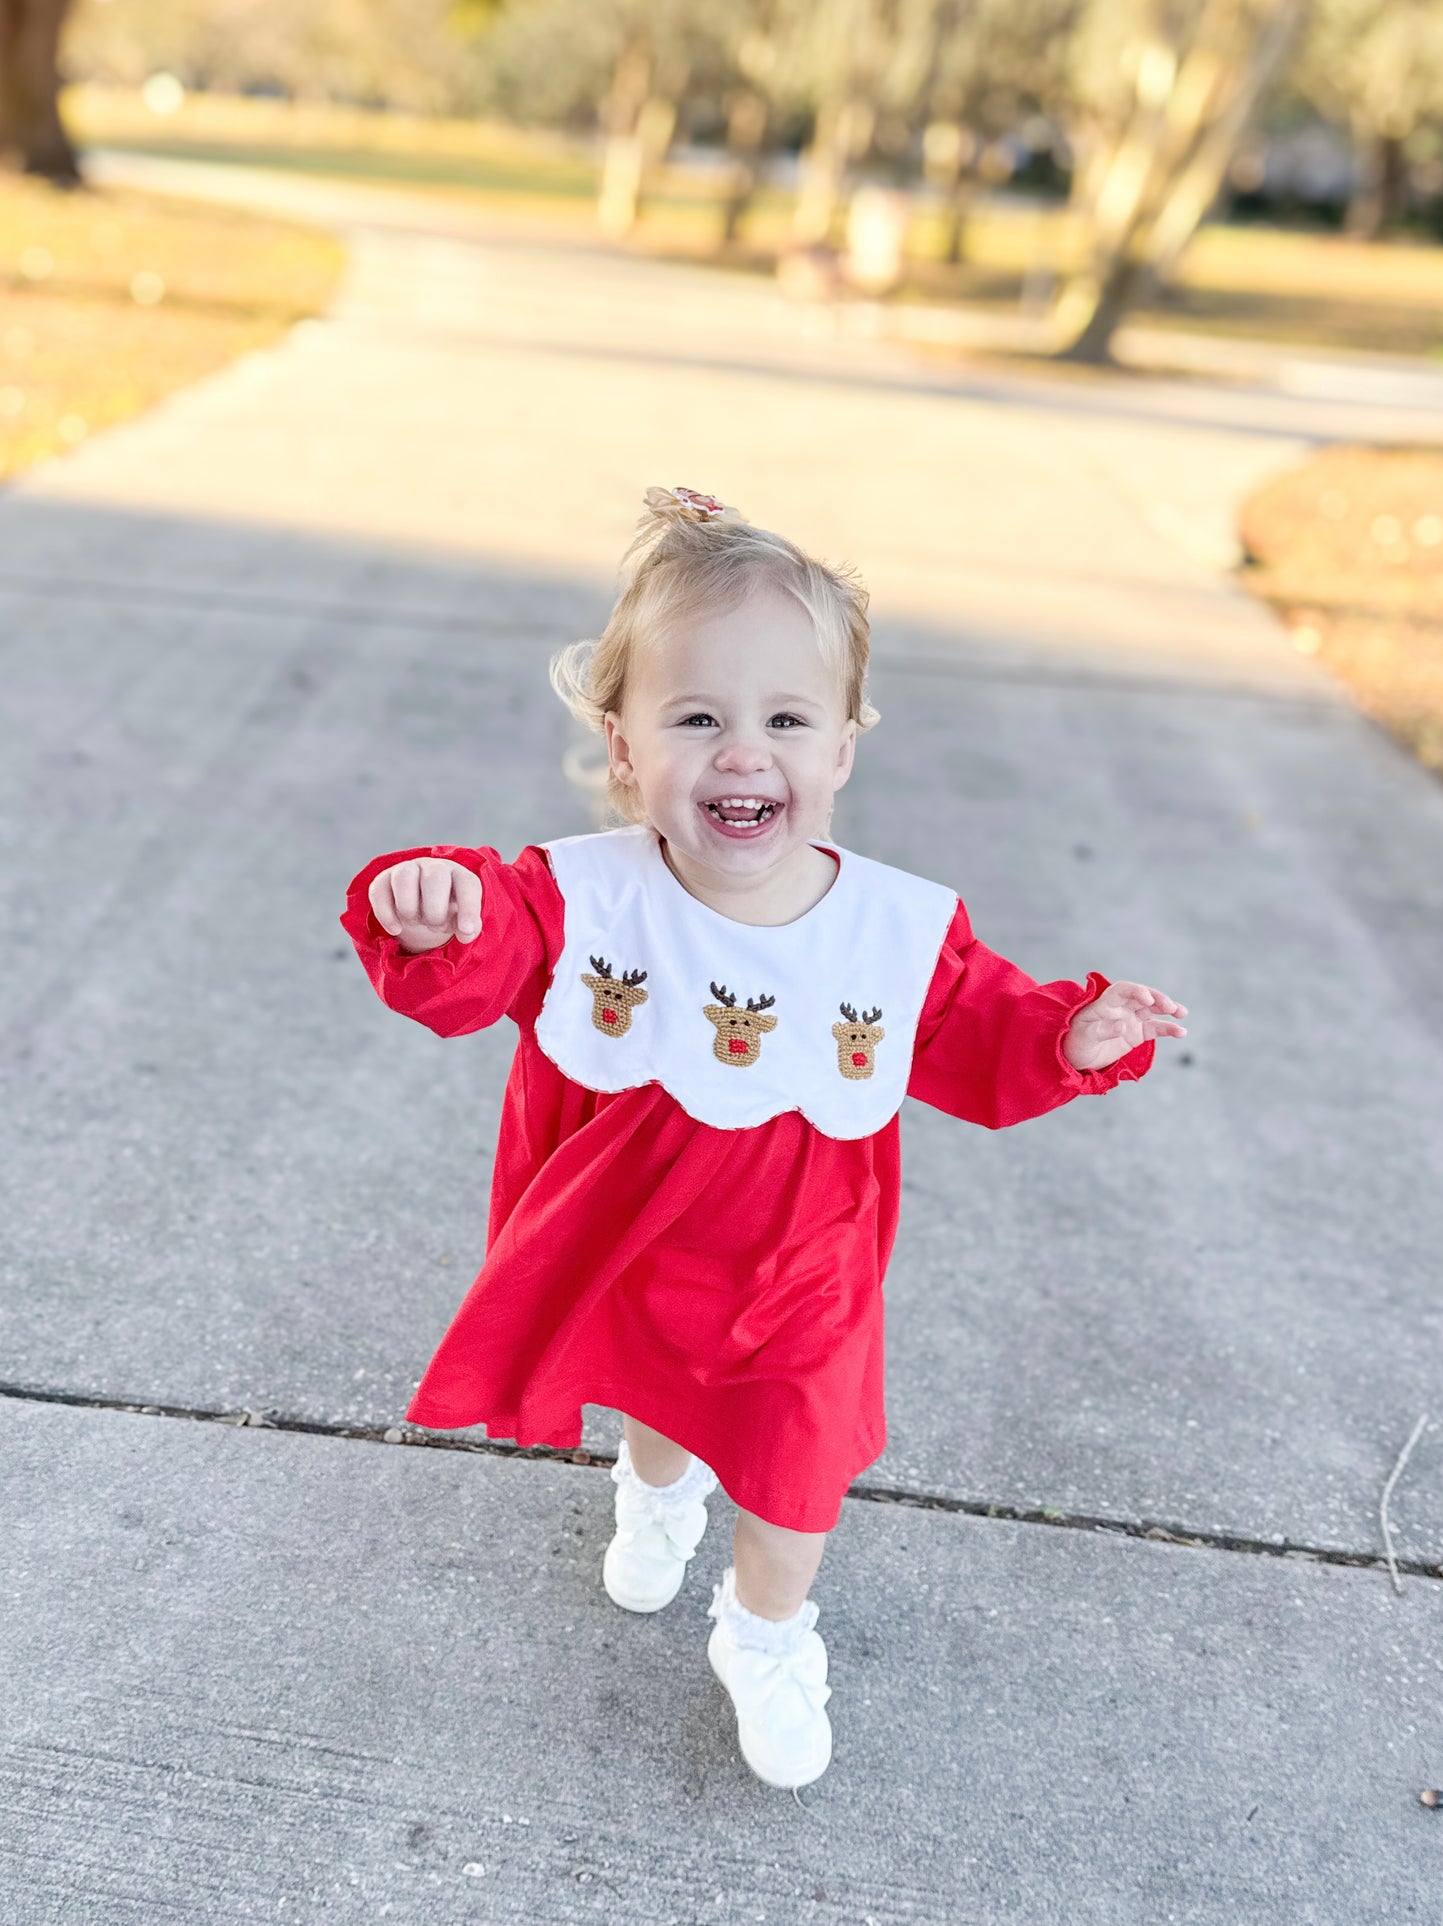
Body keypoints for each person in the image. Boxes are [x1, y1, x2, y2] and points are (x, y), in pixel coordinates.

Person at [339, 484, 1187, 1792]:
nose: (743, 753)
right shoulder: (575, 899)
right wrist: (434, 909)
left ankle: (765, 1627)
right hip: (639, 1246)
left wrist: (1069, 1036)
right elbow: (475, 964)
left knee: (795, 1463)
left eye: (785, 719)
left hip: (806, 1276)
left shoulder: (896, 933)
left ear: (842, 748)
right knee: (666, 1402)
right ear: (623, 748)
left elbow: (975, 1028)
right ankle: (659, 1486)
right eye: (696, 718)